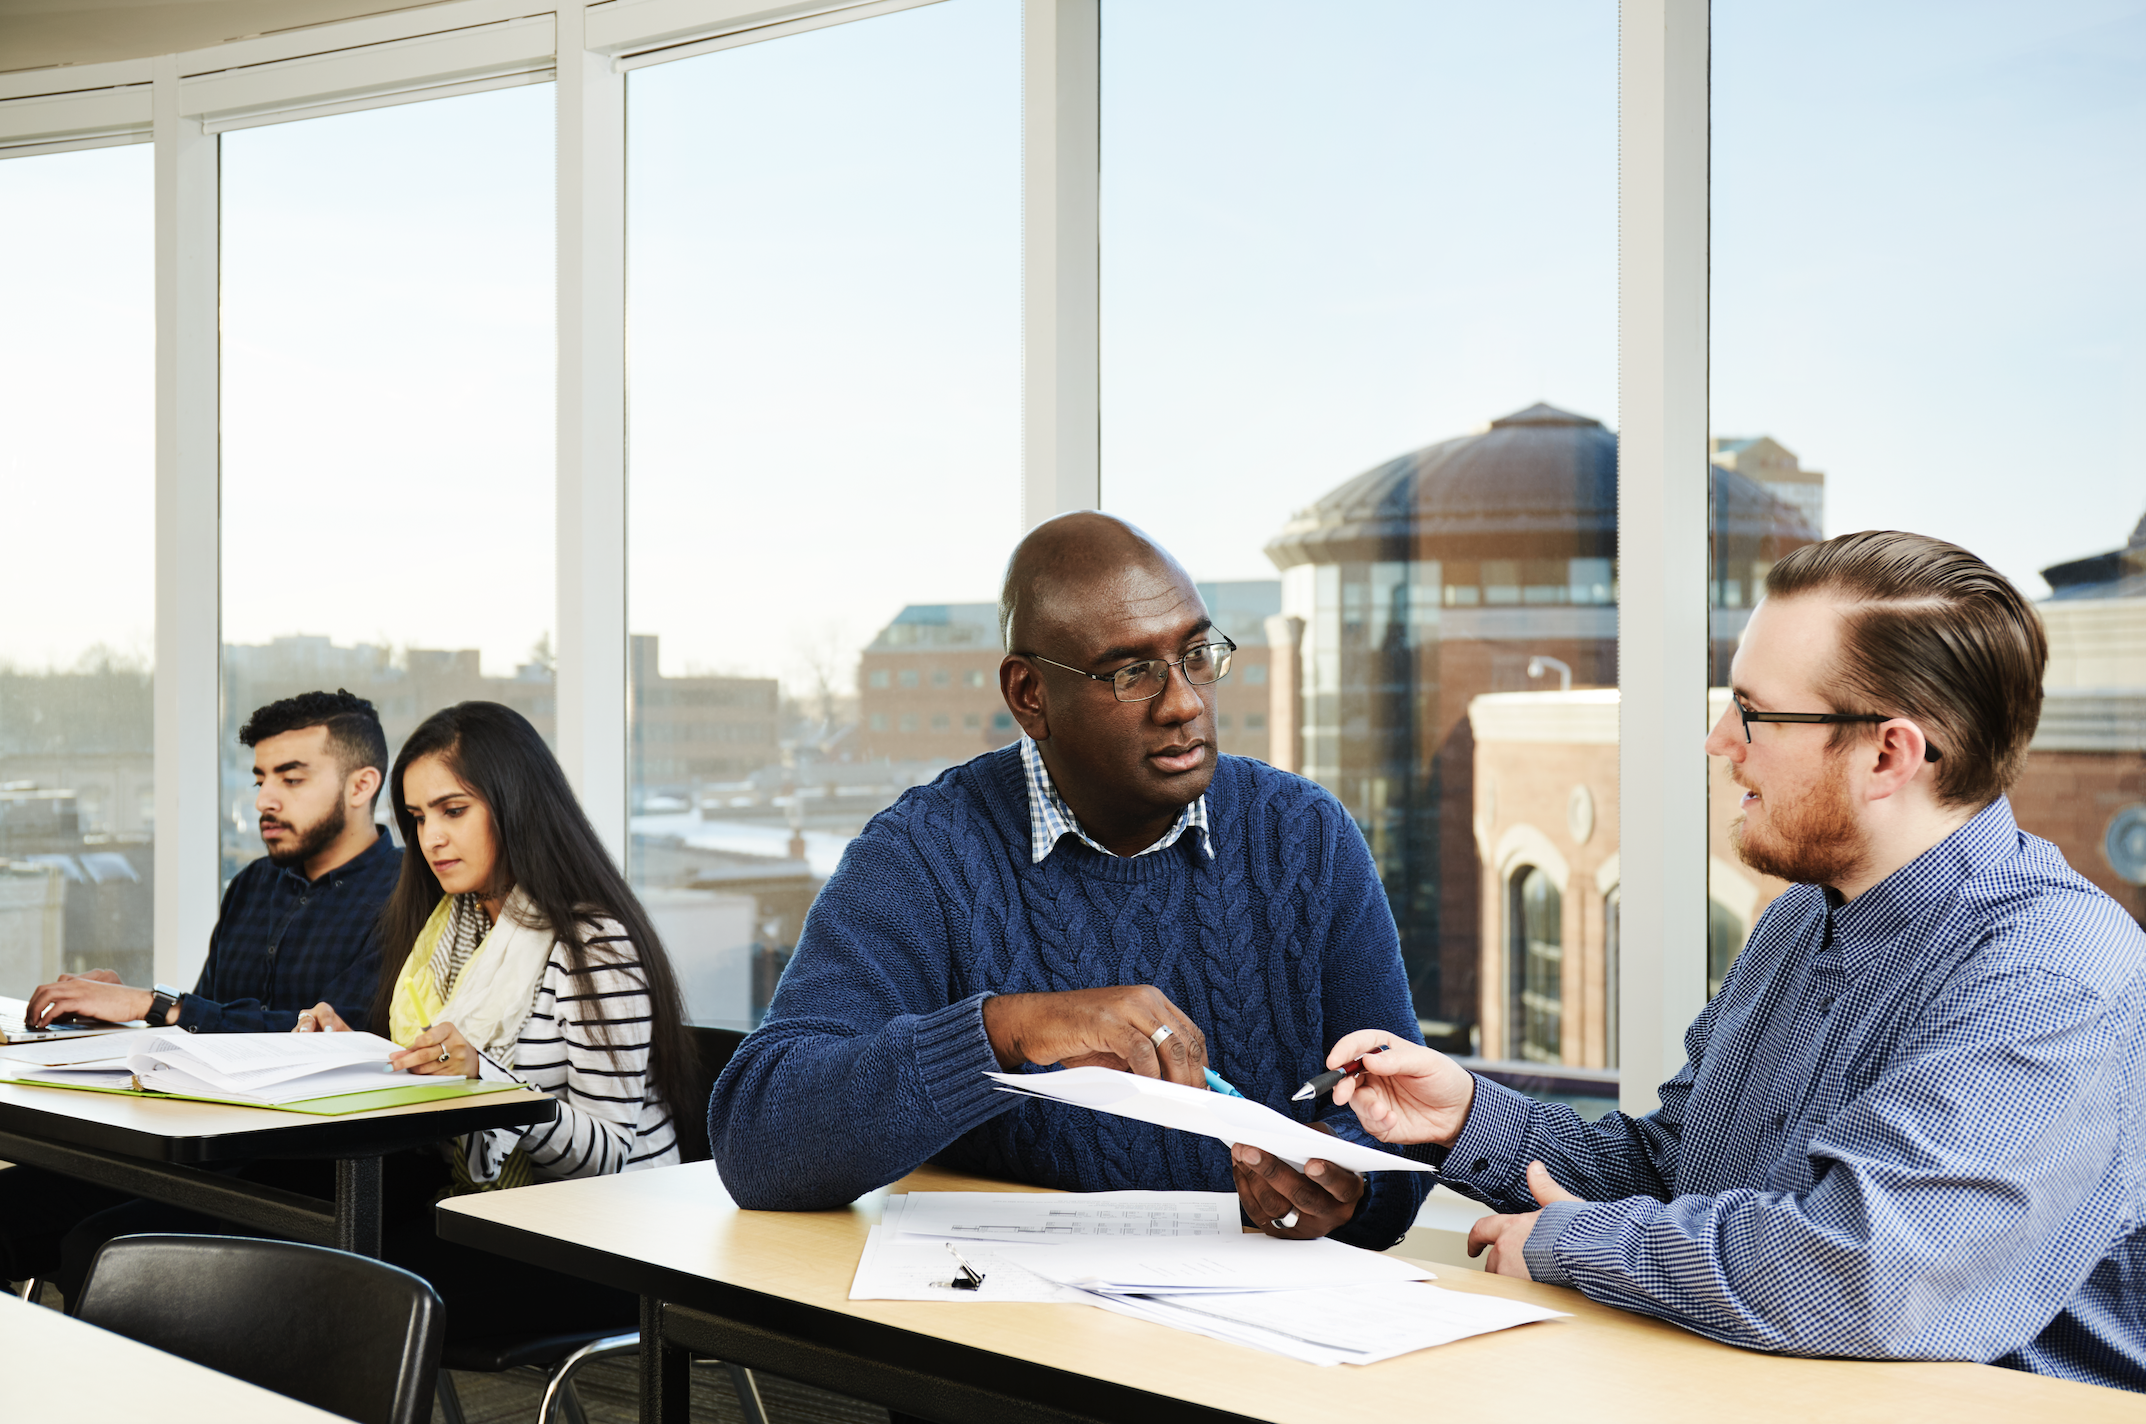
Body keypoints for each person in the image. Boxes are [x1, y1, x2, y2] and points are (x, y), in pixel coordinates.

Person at [1324, 530, 2146, 1393]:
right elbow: (1673, 1175)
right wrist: (1466, 1118)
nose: (1721, 741)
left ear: (1888, 755)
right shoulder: (1800, 919)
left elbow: (1867, 1273)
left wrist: (1575, 1245)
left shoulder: (2055, 972)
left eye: (1754, 713)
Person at [709, 512, 1432, 1249]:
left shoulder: (1303, 835)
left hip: (1268, 1330)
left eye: (1196, 654)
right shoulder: (924, 855)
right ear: (1029, 696)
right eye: (1132, 672)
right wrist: (1005, 1030)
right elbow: (759, 1139)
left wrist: (1343, 1184)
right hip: (1012, 1336)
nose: (1183, 701)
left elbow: (1401, 1127)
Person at [293, 700, 694, 1331]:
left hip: (611, 1238)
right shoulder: (445, 932)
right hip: (490, 1212)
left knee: (336, 1291)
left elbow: (610, 1158)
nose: (432, 838)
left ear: (515, 805)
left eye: (454, 811)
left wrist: (487, 1085)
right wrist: (365, 1062)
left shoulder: (594, 945)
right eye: (418, 817)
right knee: (311, 1257)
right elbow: (443, 1112)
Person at [0, 688, 402, 1298]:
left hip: (305, 1174)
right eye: (261, 778)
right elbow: (207, 1031)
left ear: (360, 785)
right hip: (191, 1150)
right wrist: (128, 1021)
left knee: (103, 1254)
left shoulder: (406, 898)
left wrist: (158, 1005)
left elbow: (330, 1048)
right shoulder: (253, 884)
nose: (265, 799)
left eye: (291, 779)